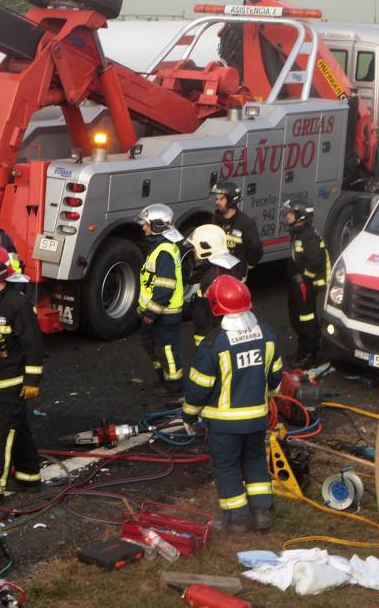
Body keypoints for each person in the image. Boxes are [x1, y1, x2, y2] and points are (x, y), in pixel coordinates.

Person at [182, 276, 283, 532]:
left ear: (216, 307)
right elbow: (275, 376)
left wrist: (189, 417)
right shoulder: (267, 335)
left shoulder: (214, 344)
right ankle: (263, 513)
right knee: (255, 461)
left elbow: (198, 389)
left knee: (226, 468)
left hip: (224, 425)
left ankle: (237, 519)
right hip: (257, 419)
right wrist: (265, 397)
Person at [0, 244, 44, 504]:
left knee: (0, 434)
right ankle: (29, 476)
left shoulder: (17, 304)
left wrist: (32, 380)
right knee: (18, 429)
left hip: (10, 384)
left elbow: (33, 345)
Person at [137, 204, 186, 394]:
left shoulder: (164, 251)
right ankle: (164, 378)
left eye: (146, 224)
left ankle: (174, 385)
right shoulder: (159, 246)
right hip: (156, 312)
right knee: (151, 345)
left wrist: (151, 312)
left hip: (164, 313)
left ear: (157, 226)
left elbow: (165, 288)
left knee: (166, 350)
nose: (143, 227)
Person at [284, 197, 330, 369]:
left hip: (307, 284)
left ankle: (310, 355)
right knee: (296, 317)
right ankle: (302, 351)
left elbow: (315, 261)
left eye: (290, 213)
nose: (287, 216)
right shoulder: (299, 233)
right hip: (299, 283)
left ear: (300, 216)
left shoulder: (308, 237)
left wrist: (305, 277)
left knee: (306, 318)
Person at [186, 224, 244, 346]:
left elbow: (210, 314)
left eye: (195, 247)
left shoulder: (214, 276)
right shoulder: (226, 267)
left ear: (206, 248)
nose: (193, 250)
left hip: (210, 339)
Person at [211, 180, 263, 280]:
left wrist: (246, 265)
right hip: (215, 274)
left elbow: (256, 249)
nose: (217, 202)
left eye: (220, 199)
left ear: (231, 199)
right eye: (216, 199)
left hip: (235, 277)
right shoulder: (215, 219)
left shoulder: (245, 224)